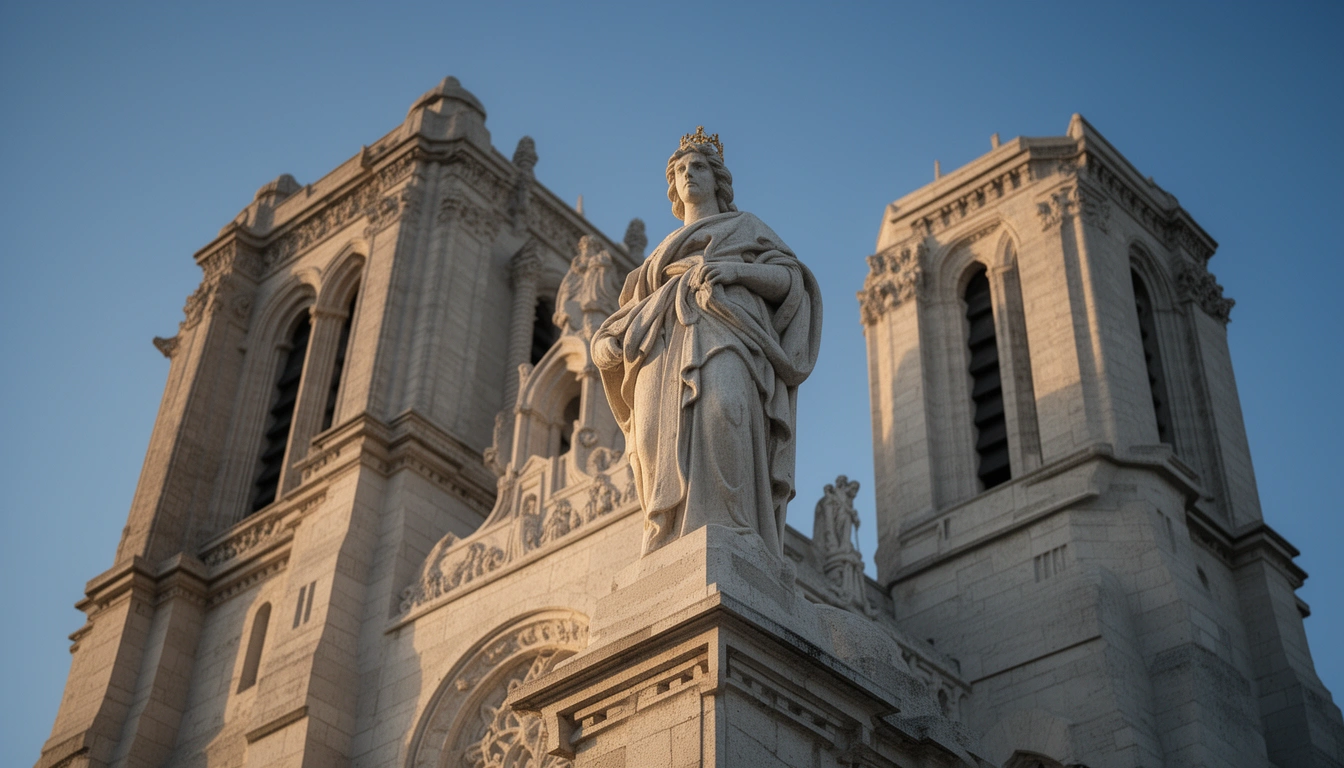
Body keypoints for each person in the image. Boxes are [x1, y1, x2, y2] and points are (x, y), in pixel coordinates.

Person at [591, 127, 822, 557]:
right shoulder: (659, 255)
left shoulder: (745, 227)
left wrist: (736, 273)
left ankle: (735, 532)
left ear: (717, 179)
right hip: (660, 354)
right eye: (679, 170)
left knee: (725, 412)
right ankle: (666, 538)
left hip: (727, 334)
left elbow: (791, 281)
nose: (688, 175)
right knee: (650, 440)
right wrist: (604, 345)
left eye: (697, 166)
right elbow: (627, 316)